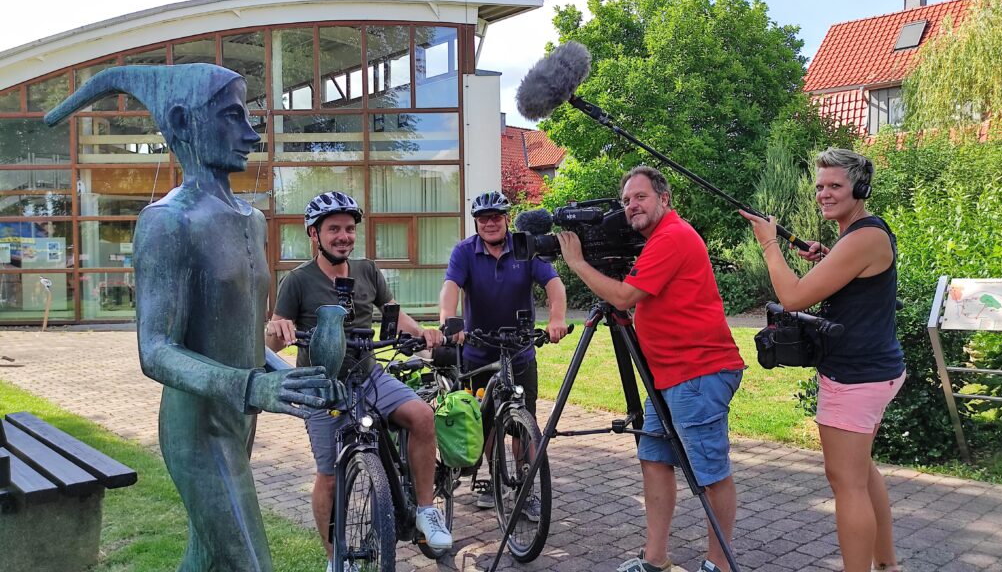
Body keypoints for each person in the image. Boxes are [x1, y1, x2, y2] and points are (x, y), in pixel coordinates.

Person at [46, 64, 332, 571]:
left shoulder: (252, 219)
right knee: (249, 563)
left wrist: (285, 376)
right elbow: (154, 350)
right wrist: (252, 386)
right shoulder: (166, 222)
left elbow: (240, 334)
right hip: (196, 431)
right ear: (182, 122)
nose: (250, 134)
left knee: (206, 555)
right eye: (231, 117)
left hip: (240, 421)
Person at [557, 167, 744, 572]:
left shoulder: (672, 236)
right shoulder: (658, 240)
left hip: (697, 372)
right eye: (626, 201)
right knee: (654, 457)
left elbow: (623, 296)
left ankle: (720, 565)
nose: (631, 206)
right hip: (666, 375)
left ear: (665, 199)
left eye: (639, 197)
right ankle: (655, 559)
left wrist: (576, 263)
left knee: (710, 471)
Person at [265, 191, 452, 570]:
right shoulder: (297, 281)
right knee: (329, 477)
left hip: (369, 374)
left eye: (349, 229)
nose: (343, 236)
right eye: (333, 229)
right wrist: (276, 328)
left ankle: (426, 510)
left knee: (422, 416)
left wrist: (422, 334)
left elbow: (392, 314)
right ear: (313, 234)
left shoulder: (367, 270)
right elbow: (273, 340)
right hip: (322, 385)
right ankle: (334, 557)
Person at [739, 148, 905, 572]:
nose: (824, 194)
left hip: (855, 377)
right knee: (861, 471)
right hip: (874, 370)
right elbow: (855, 282)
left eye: (835, 186)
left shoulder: (864, 237)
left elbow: (792, 296)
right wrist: (828, 257)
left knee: (846, 483)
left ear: (860, 188)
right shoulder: (863, 235)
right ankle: (886, 565)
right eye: (819, 186)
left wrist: (770, 244)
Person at [438, 191, 569, 513]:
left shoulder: (526, 247)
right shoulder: (465, 252)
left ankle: (524, 487)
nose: (490, 223)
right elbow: (450, 287)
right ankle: (488, 476)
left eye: (496, 216)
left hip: (520, 349)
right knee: (482, 422)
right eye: (484, 218)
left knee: (523, 425)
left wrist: (556, 318)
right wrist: (450, 321)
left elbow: (553, 283)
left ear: (507, 219)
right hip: (478, 350)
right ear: (476, 223)